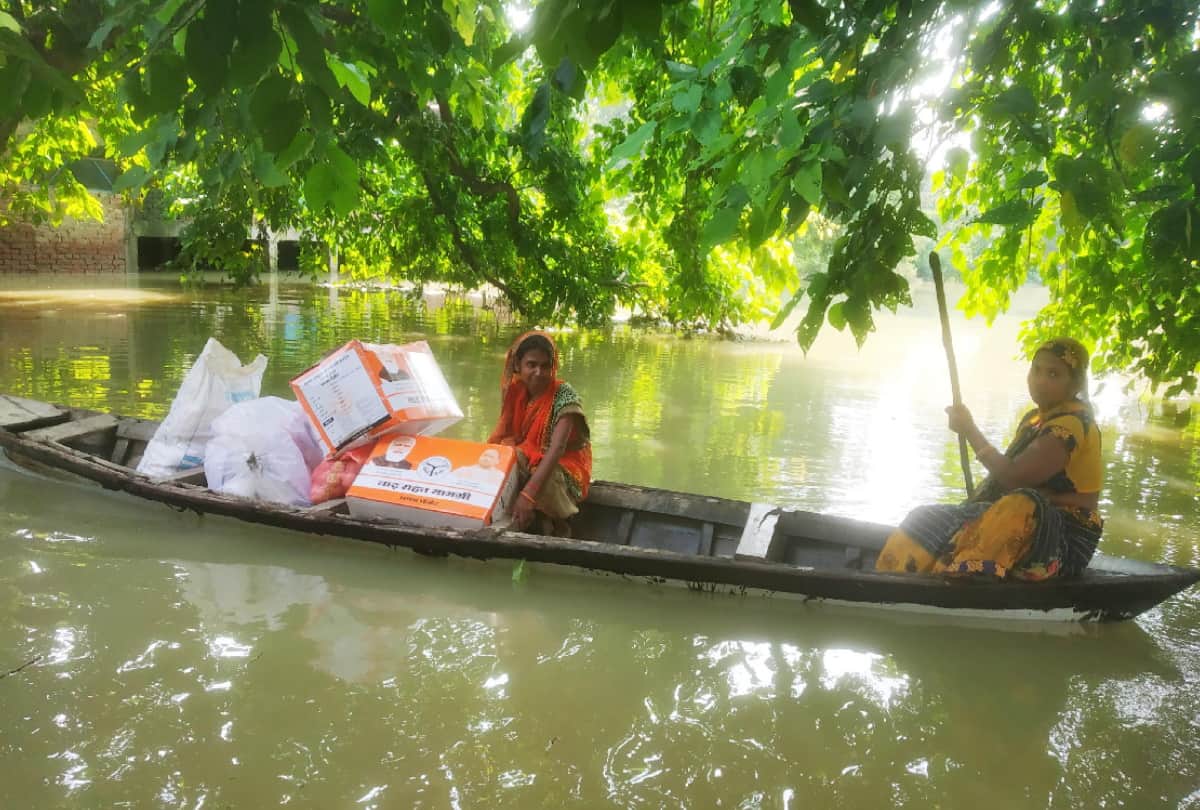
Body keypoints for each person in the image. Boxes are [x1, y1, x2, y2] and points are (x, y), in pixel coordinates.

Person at [875, 338, 1103, 580]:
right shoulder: (1033, 420)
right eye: (1036, 370)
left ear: (1075, 384)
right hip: (1019, 520)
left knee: (1021, 504)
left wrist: (969, 430)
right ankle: (893, 577)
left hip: (1060, 543)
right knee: (926, 517)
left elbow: (1012, 478)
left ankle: (962, 579)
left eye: (1054, 374)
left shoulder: (1072, 425)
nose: (1041, 381)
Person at [488, 331, 592, 536]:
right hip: (531, 458)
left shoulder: (564, 395)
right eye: (531, 365)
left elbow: (557, 449)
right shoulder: (516, 391)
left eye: (545, 366)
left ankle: (557, 523)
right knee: (501, 455)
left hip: (564, 468)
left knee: (544, 478)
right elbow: (509, 436)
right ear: (518, 365)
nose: (538, 372)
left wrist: (527, 496)